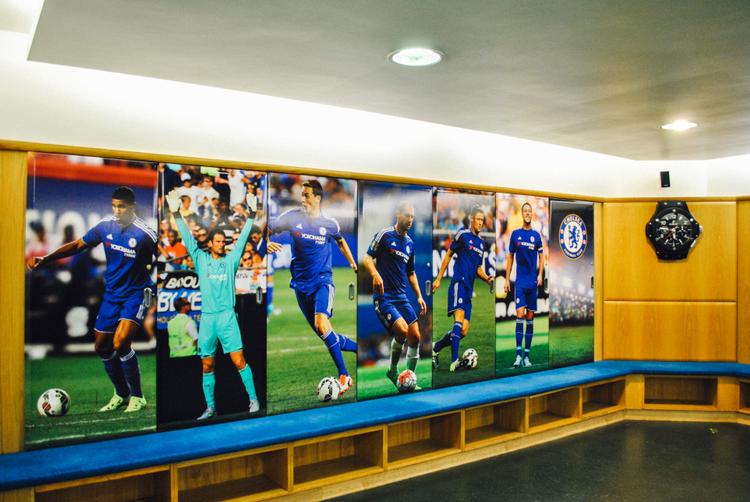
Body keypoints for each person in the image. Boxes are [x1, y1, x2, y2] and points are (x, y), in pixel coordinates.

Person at [27, 186, 156, 413]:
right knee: (102, 346)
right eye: (114, 206)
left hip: (137, 294)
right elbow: (78, 245)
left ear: (132, 207)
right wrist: (46, 258)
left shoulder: (145, 234)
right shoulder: (104, 226)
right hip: (112, 294)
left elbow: (165, 256)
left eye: (121, 206)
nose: (117, 210)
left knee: (121, 343)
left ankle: (138, 396)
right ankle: (122, 393)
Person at [166, 188, 261, 419]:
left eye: (223, 241)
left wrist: (251, 215)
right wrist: (176, 214)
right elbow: (188, 239)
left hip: (227, 317)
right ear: (209, 243)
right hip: (208, 319)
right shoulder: (200, 259)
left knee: (239, 361)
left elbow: (243, 239)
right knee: (207, 366)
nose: (222, 244)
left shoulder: (231, 260)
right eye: (218, 241)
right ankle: (210, 408)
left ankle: (254, 400)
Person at [266, 179, 358, 393]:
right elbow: (265, 227)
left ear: (318, 198)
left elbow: (340, 241)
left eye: (306, 195)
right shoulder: (291, 216)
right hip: (300, 286)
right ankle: (360, 348)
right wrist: (266, 242)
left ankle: (344, 376)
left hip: (322, 282)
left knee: (322, 325)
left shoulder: (330, 223)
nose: (303, 199)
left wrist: (353, 262)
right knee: (325, 333)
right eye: (302, 195)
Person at [363, 201, 427, 391]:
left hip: (401, 297)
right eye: (407, 215)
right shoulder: (385, 235)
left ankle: (410, 379)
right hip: (384, 297)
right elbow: (367, 257)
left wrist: (419, 296)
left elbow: (411, 273)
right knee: (402, 331)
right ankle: (392, 370)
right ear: (398, 214)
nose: (410, 220)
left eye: (412, 216)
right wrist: (375, 274)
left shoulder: (410, 244)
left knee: (415, 336)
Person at [432, 205, 493, 371]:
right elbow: (448, 255)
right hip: (459, 283)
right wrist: (438, 279)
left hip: (468, 290)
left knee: (463, 331)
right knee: (458, 321)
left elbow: (478, 267)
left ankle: (436, 347)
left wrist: (486, 278)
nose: (480, 223)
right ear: (471, 219)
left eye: (482, 220)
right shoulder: (462, 234)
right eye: (478, 219)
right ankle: (454, 362)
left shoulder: (481, 243)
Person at [504, 202, 544, 368]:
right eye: (525, 211)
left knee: (530, 318)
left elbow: (542, 256)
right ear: (522, 214)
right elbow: (510, 257)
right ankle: (518, 356)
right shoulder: (515, 234)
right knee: (520, 315)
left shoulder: (537, 235)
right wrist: (507, 279)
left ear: (532, 214)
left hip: (532, 283)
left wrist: (540, 274)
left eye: (529, 211)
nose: (527, 213)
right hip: (520, 282)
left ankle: (527, 356)